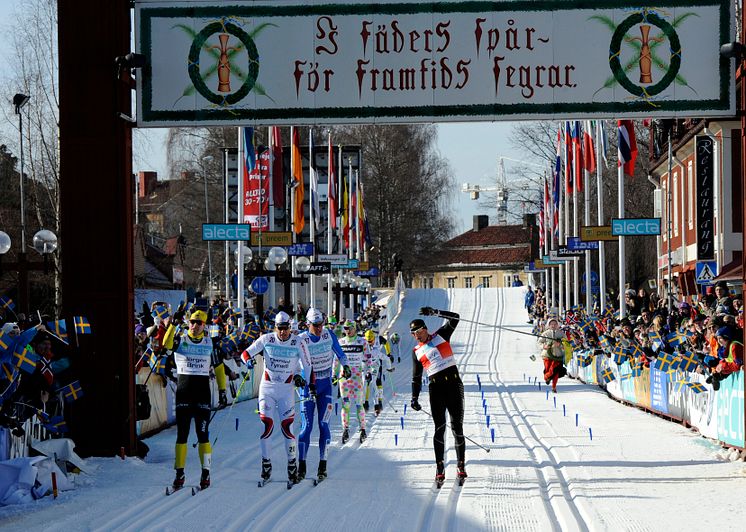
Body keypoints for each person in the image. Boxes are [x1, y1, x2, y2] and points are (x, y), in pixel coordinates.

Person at [240, 311, 312, 486]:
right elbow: (245, 354)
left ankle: (292, 465)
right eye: (280, 328)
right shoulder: (266, 339)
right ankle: (266, 464)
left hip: (286, 389)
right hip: (267, 388)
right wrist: (248, 361)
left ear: (290, 327)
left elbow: (307, 364)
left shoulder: (298, 342)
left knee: (287, 427)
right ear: (275, 327)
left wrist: (304, 380)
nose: (282, 332)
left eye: (286, 328)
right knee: (267, 424)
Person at [165, 309, 227, 491]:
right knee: (181, 435)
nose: (194, 325)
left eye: (198, 323)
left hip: (202, 395)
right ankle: (179, 473)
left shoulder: (210, 343)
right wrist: (173, 325)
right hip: (184, 394)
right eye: (192, 322)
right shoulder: (181, 339)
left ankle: (205, 472)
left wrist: (223, 390)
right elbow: (166, 344)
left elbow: (219, 367)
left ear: (204, 326)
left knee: (203, 435)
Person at [409, 306, 465, 485]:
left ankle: (461, 465)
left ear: (425, 329)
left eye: (419, 331)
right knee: (439, 428)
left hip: (454, 385)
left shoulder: (441, 335)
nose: (417, 335)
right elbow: (416, 378)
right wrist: (414, 398)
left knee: (457, 427)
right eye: (413, 333)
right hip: (436, 389)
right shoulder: (416, 351)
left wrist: (435, 312)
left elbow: (455, 318)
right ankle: (440, 467)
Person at [297, 308, 351, 482]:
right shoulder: (302, 339)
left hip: (326, 386)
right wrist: (302, 379)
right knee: (307, 427)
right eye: (315, 326)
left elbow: (340, 353)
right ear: (308, 324)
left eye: (321, 325)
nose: (319, 329)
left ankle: (323, 464)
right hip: (308, 387)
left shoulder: (328, 335)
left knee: (324, 424)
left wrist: (346, 365)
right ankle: (302, 464)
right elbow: (298, 363)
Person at [333, 320, 370, 444]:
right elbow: (336, 360)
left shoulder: (362, 341)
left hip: (357, 376)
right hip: (344, 377)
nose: (347, 330)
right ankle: (345, 429)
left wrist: (369, 371)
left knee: (359, 403)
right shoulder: (340, 342)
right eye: (345, 328)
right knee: (346, 404)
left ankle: (363, 428)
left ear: (354, 328)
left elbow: (368, 358)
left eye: (349, 328)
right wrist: (334, 374)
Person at [363, 329, 394, 416]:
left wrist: (389, 354)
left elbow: (386, 343)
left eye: (371, 341)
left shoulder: (378, 340)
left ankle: (378, 403)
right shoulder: (362, 342)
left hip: (376, 364)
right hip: (366, 365)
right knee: (365, 383)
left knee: (375, 382)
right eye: (368, 341)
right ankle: (365, 403)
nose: (370, 342)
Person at [539, 317, 566, 393]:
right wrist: (544, 346)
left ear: (557, 325)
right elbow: (539, 342)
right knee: (549, 370)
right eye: (551, 324)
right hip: (547, 355)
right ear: (549, 325)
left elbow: (566, 343)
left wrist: (560, 344)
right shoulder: (545, 333)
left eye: (555, 324)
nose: (553, 326)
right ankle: (547, 377)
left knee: (555, 371)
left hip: (558, 356)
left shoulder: (561, 333)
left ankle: (554, 387)